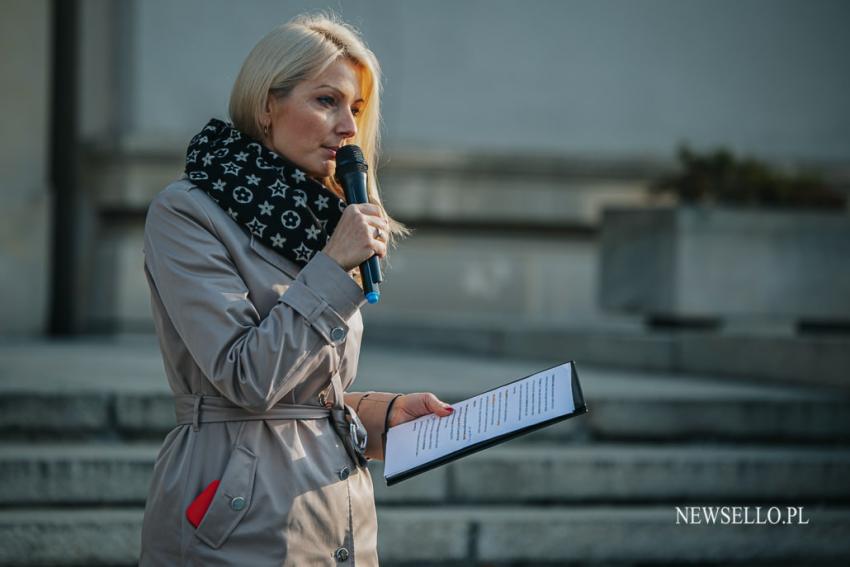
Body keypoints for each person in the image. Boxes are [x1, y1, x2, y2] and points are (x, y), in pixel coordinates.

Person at [139, 13, 453, 566]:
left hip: (336, 515)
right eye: (326, 101)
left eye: (355, 108)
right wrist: (334, 265)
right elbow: (247, 378)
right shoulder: (186, 213)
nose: (349, 128)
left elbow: (303, 395)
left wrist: (382, 416)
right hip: (235, 523)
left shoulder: (319, 218)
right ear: (267, 105)